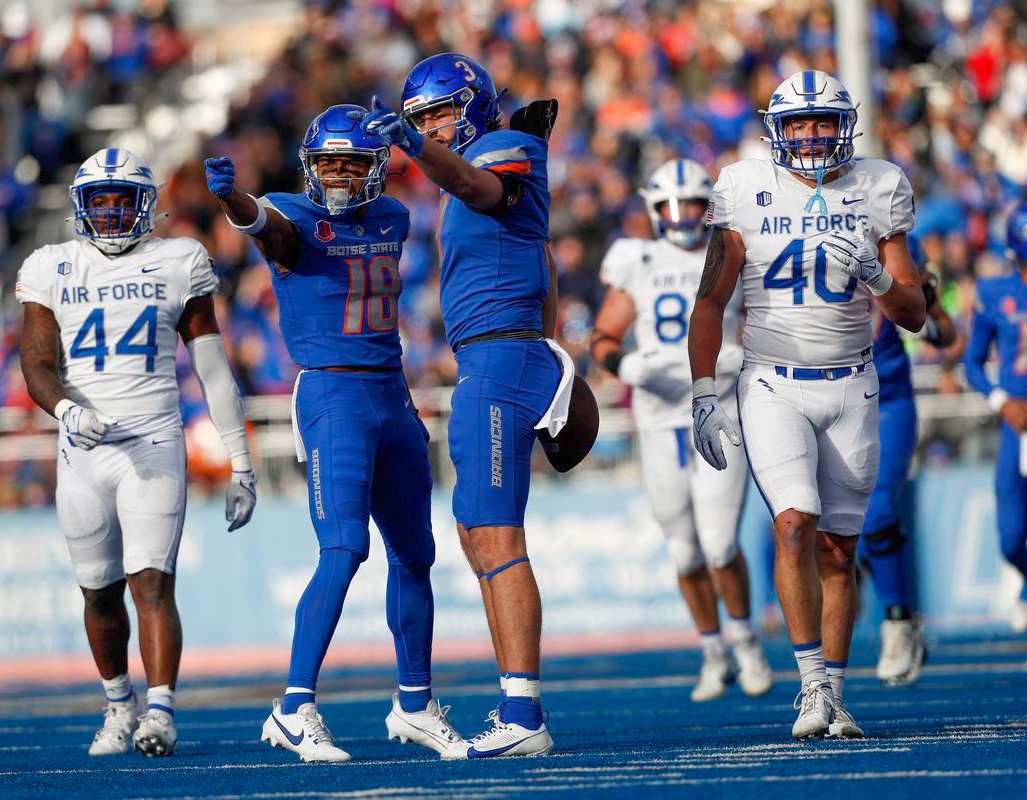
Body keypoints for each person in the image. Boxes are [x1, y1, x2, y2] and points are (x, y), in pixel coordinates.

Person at [203, 104, 460, 763]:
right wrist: (233, 196)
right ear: (309, 169)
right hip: (332, 393)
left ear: (375, 168)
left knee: (415, 554)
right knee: (344, 548)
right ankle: (293, 707)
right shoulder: (296, 215)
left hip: (391, 393)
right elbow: (270, 230)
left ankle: (414, 704)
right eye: (329, 164)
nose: (341, 176)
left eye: (353, 163)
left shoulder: (394, 217)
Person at [687, 70, 925, 740]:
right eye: (800, 123)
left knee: (839, 552)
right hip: (772, 381)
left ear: (844, 124)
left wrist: (877, 274)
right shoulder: (744, 186)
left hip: (853, 381)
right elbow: (710, 300)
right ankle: (811, 686)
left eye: (824, 121)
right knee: (794, 522)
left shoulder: (878, 185)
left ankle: (838, 694)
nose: (813, 135)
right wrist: (706, 393)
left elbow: (913, 313)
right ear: (778, 130)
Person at [356, 52, 574, 759]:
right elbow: (541, 266)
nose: (430, 128)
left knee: (495, 534)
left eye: (439, 113)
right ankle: (517, 702)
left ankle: (523, 710)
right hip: (494, 355)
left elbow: (483, 189)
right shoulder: (478, 159)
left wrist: (415, 148)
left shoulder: (505, 148)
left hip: (502, 358)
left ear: (474, 103)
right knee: (476, 535)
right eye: (419, 119)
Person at [18, 148, 257, 757]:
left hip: (151, 440)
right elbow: (37, 360)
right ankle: (119, 704)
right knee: (98, 592)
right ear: (82, 207)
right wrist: (67, 410)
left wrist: (241, 462)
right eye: (101, 202)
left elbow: (212, 367)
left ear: (145, 205)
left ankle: (160, 713)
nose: (112, 213)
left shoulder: (178, 260)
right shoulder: (52, 265)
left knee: (151, 580)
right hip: (82, 446)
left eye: (123, 201)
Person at [591, 158, 773, 702]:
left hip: (718, 409)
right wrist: (624, 367)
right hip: (658, 420)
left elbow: (763, 320)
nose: (682, 216)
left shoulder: (730, 253)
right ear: (653, 209)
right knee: (685, 552)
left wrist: (748, 354)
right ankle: (712, 650)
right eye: (671, 205)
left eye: (693, 204)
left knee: (720, 545)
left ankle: (745, 642)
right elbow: (603, 337)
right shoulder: (638, 259)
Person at [861, 233, 955, 686]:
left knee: (879, 509)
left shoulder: (894, 240)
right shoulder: (786, 226)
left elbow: (943, 331)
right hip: (819, 397)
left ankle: (899, 621)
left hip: (886, 397)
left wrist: (927, 314)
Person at [964, 201, 1027, 635]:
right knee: (1010, 537)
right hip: (1017, 423)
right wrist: (1002, 399)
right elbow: (971, 364)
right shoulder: (992, 292)